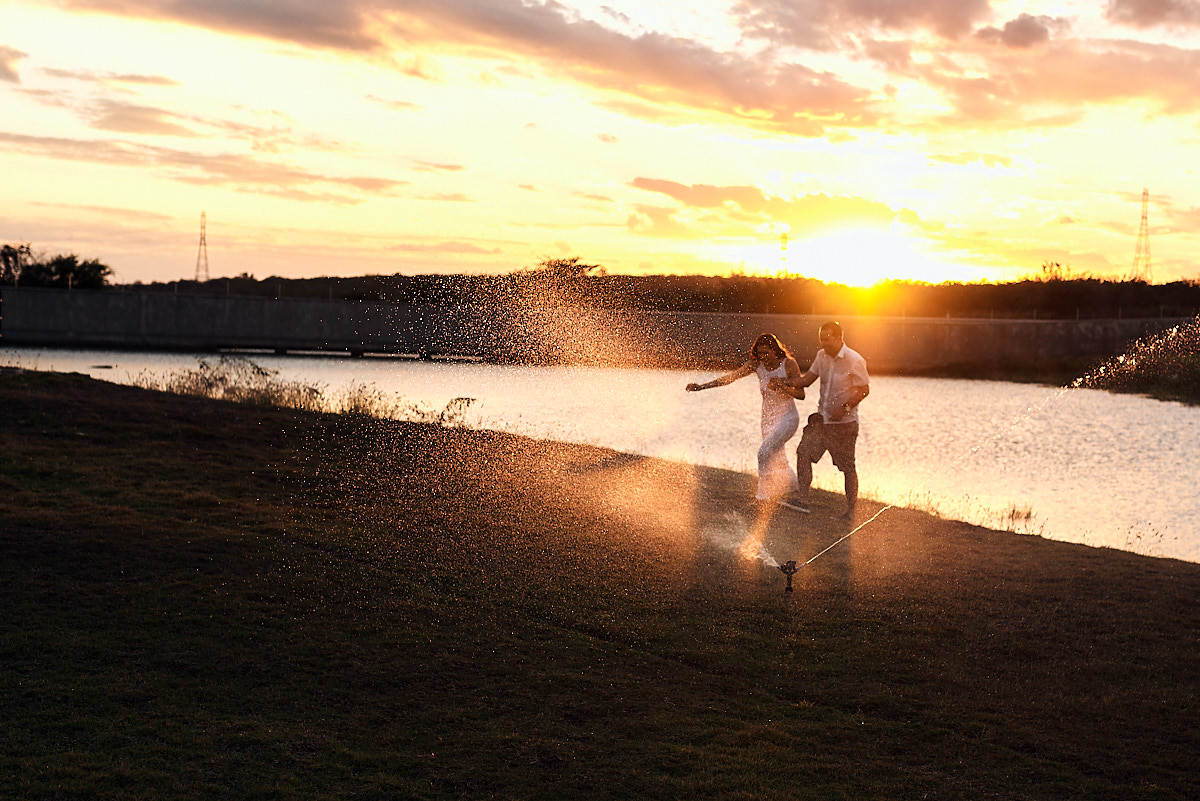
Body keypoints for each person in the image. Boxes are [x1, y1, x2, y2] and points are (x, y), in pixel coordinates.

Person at [686, 333, 804, 503]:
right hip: (768, 420)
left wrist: (782, 385)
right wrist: (701, 387)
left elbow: (801, 394)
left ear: (775, 350)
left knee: (764, 453)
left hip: (788, 418)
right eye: (760, 353)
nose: (763, 357)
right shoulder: (757, 365)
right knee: (778, 458)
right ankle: (792, 488)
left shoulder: (788, 364)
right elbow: (730, 378)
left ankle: (762, 497)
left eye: (766, 353)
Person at [770, 321, 869, 519]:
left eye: (827, 339)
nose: (823, 343)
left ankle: (850, 512)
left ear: (839, 338)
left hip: (844, 425)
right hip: (821, 421)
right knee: (803, 452)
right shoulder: (821, 356)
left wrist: (845, 408)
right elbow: (806, 380)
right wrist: (782, 382)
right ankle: (803, 501)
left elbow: (864, 390)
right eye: (821, 339)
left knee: (847, 468)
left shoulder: (854, 359)